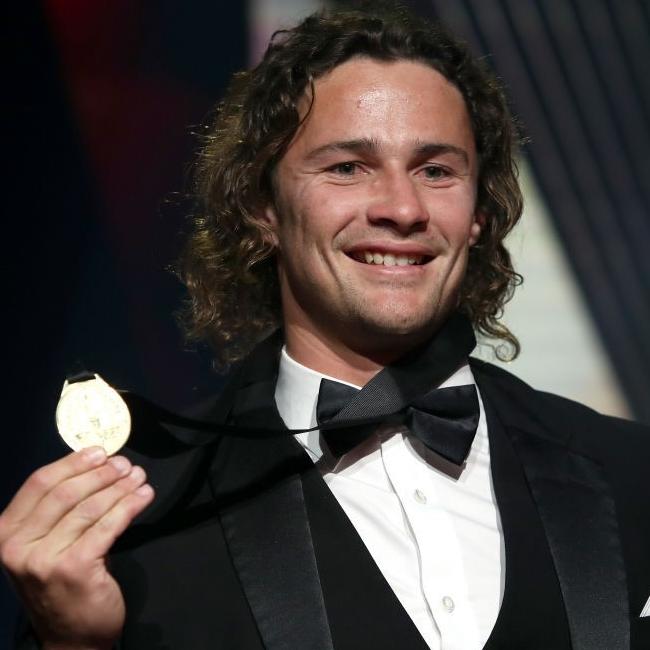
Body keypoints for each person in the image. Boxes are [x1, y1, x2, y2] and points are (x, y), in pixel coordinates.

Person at [2, 5, 649, 650]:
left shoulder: (629, 472)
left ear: (478, 214)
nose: (402, 207)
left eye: (436, 170)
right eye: (347, 167)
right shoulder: (141, 527)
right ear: (262, 206)